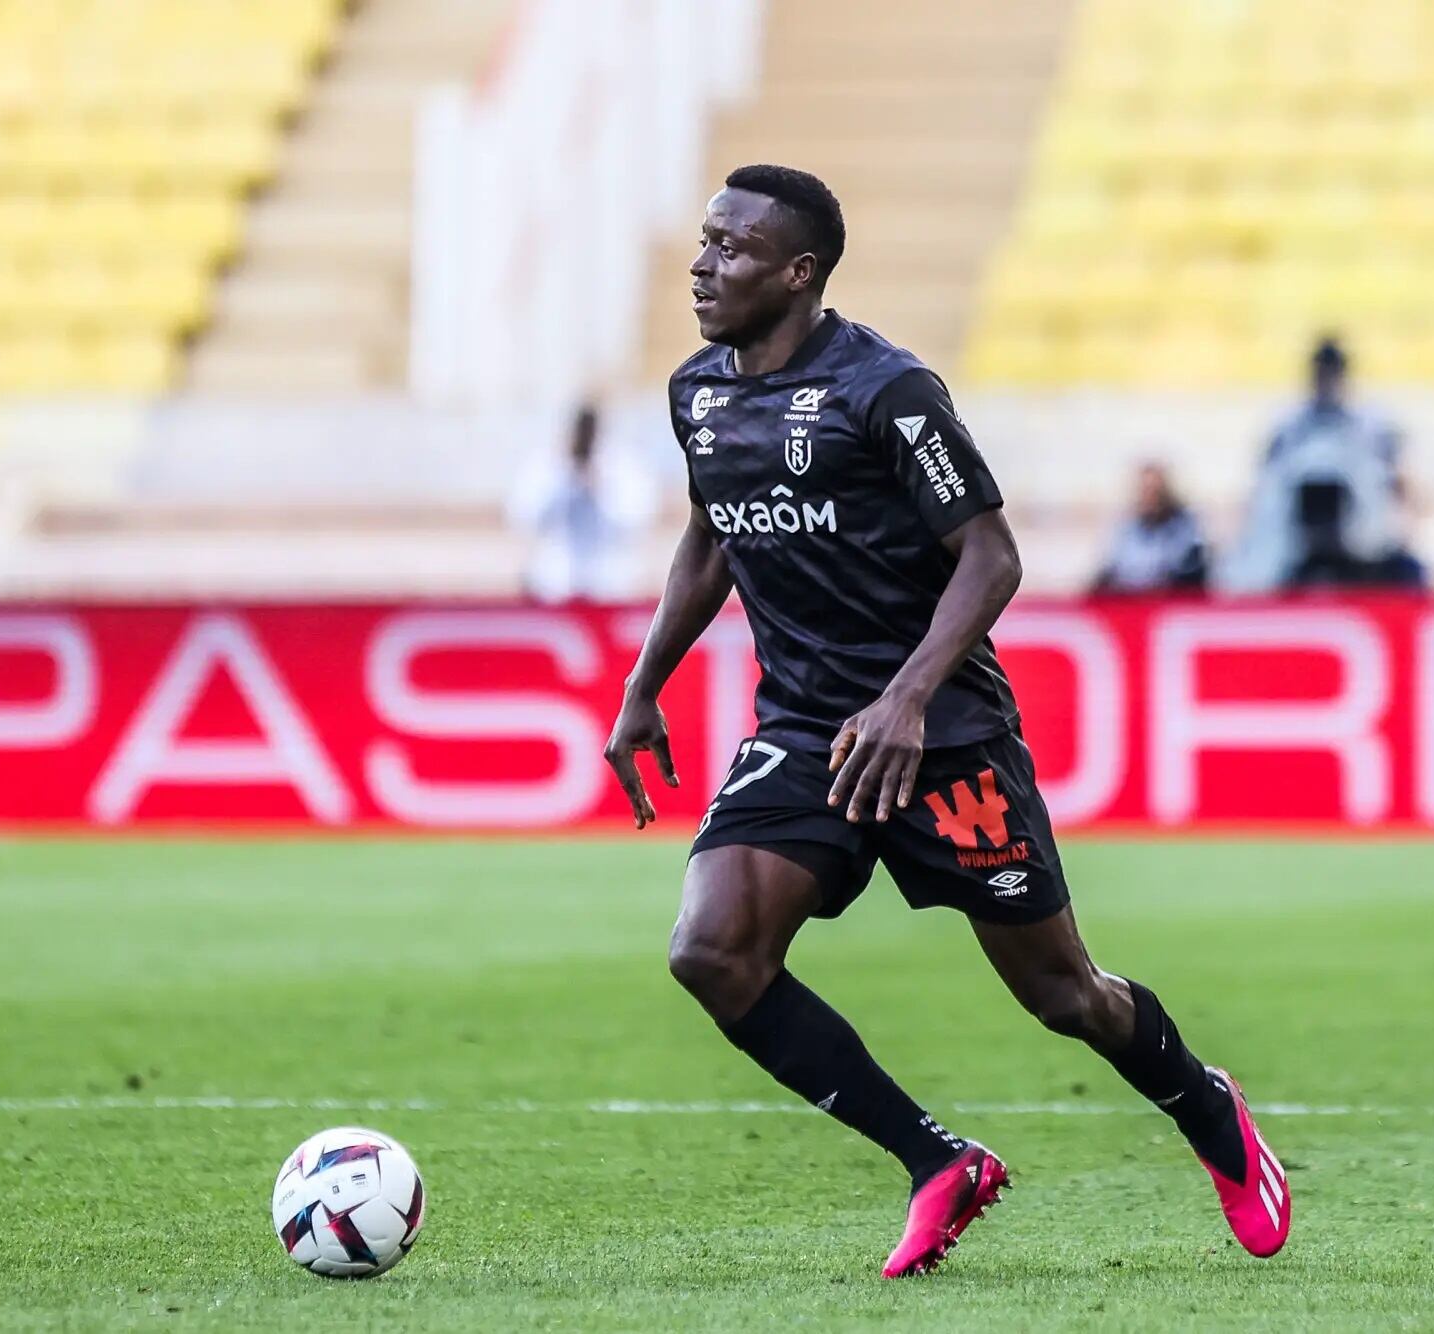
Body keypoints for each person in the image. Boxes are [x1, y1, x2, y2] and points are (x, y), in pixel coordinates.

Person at [604, 165, 1290, 1278]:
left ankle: (1205, 1103)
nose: (702, 263)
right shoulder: (700, 393)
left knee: (1066, 995)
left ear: (799, 271)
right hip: (807, 728)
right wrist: (646, 684)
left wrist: (908, 695)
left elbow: (992, 554)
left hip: (945, 731)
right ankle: (938, 1161)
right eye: (703, 240)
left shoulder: (889, 391)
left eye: (732, 248)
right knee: (713, 948)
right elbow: (712, 535)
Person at [1234, 337, 1425, 590]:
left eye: (1331, 371)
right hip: (1296, 547)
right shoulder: (1290, 426)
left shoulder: (1370, 424)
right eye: (1322, 372)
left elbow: (1399, 480)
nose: (1326, 380)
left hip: (1363, 544)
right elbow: (1264, 486)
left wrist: (1402, 523)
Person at [506, 401, 653, 602]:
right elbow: (527, 518)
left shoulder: (621, 465)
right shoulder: (548, 463)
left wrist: (599, 488)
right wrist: (567, 480)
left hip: (609, 585)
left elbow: (634, 521)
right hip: (556, 584)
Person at [1091, 461, 1211, 593]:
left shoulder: (1185, 526)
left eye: (1155, 492)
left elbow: (1185, 569)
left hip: (1169, 601)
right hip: (1131, 600)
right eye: (1146, 491)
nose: (1150, 498)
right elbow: (1115, 567)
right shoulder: (1127, 527)